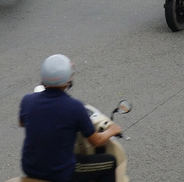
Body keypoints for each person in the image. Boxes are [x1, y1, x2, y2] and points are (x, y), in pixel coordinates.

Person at [19, 54, 121, 182]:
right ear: (68, 81)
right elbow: (97, 141)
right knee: (110, 162)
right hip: (60, 173)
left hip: (30, 167)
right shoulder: (74, 107)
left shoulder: (27, 100)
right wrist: (112, 130)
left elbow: (23, 122)